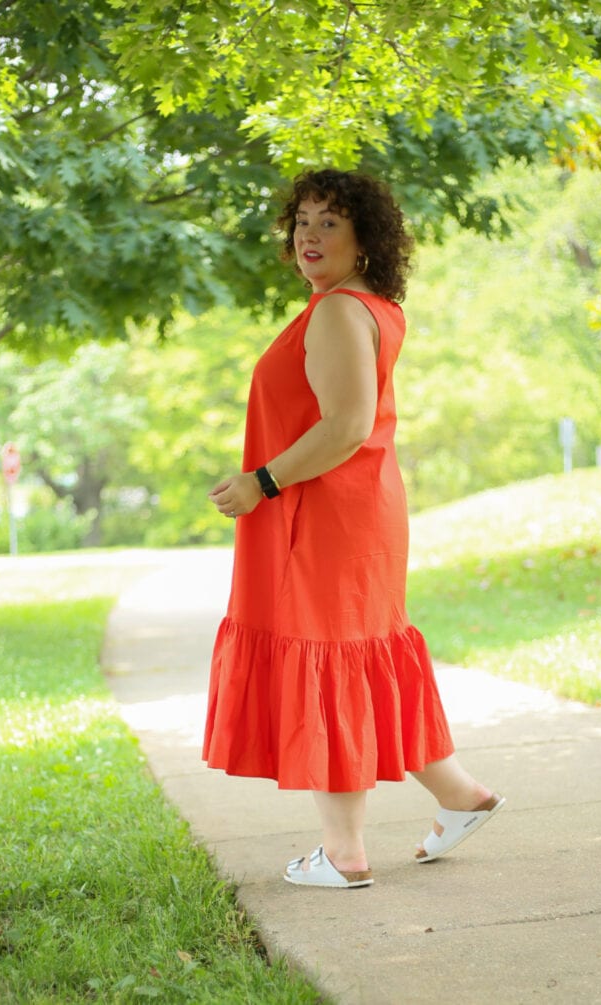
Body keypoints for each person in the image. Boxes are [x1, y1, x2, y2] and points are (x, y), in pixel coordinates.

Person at [203, 168, 504, 889]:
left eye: (330, 222)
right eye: (302, 220)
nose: (309, 233)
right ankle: (462, 796)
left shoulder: (341, 311)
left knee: (329, 658)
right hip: (349, 508)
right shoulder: (360, 307)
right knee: (359, 655)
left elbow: (345, 425)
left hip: (327, 510)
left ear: (364, 239)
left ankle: (343, 852)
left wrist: (260, 481)